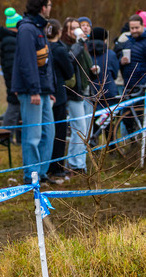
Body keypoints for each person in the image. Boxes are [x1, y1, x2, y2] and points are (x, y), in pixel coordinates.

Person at [12, 0, 56, 184]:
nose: (50, 8)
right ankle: (31, 175)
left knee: (49, 131)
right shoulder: (27, 29)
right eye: (49, 5)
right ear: (42, 7)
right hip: (32, 91)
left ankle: (42, 173)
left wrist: (49, 89)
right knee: (33, 134)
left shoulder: (39, 27)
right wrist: (34, 90)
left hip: (44, 90)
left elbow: (46, 62)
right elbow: (27, 62)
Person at [65, 18, 96, 174]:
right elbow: (69, 60)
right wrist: (78, 44)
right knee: (80, 128)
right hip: (73, 93)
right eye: (73, 29)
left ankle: (77, 162)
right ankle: (76, 164)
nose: (77, 31)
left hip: (84, 90)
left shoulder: (82, 46)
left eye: (78, 28)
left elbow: (86, 66)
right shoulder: (68, 46)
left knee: (83, 129)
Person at [47, 19, 73, 180]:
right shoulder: (59, 50)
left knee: (48, 131)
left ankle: (48, 164)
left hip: (46, 93)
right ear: (59, 31)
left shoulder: (43, 47)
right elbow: (69, 72)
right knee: (59, 132)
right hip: (58, 93)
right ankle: (56, 166)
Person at [0, 7, 21, 134]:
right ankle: (5, 135)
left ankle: (14, 136)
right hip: (13, 81)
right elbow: (11, 66)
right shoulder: (10, 41)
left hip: (14, 80)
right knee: (14, 107)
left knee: (17, 108)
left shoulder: (11, 39)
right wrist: (14, 84)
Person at [88, 26, 119, 111]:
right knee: (108, 121)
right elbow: (115, 74)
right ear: (105, 39)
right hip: (108, 93)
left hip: (90, 93)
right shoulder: (111, 54)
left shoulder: (86, 53)